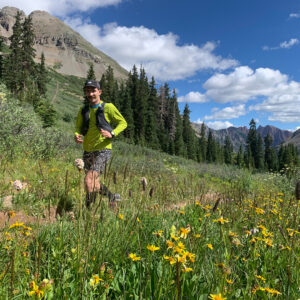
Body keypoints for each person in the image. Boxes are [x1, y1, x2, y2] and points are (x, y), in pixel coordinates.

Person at [75, 80, 127, 208]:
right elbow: (78, 127)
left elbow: (123, 123)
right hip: (87, 150)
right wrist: (76, 135)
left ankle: (88, 210)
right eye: (88, 91)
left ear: (99, 92)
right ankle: (113, 197)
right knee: (95, 183)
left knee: (88, 179)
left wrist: (112, 134)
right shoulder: (83, 110)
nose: (90, 93)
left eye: (93, 90)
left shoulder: (108, 107)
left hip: (103, 149)